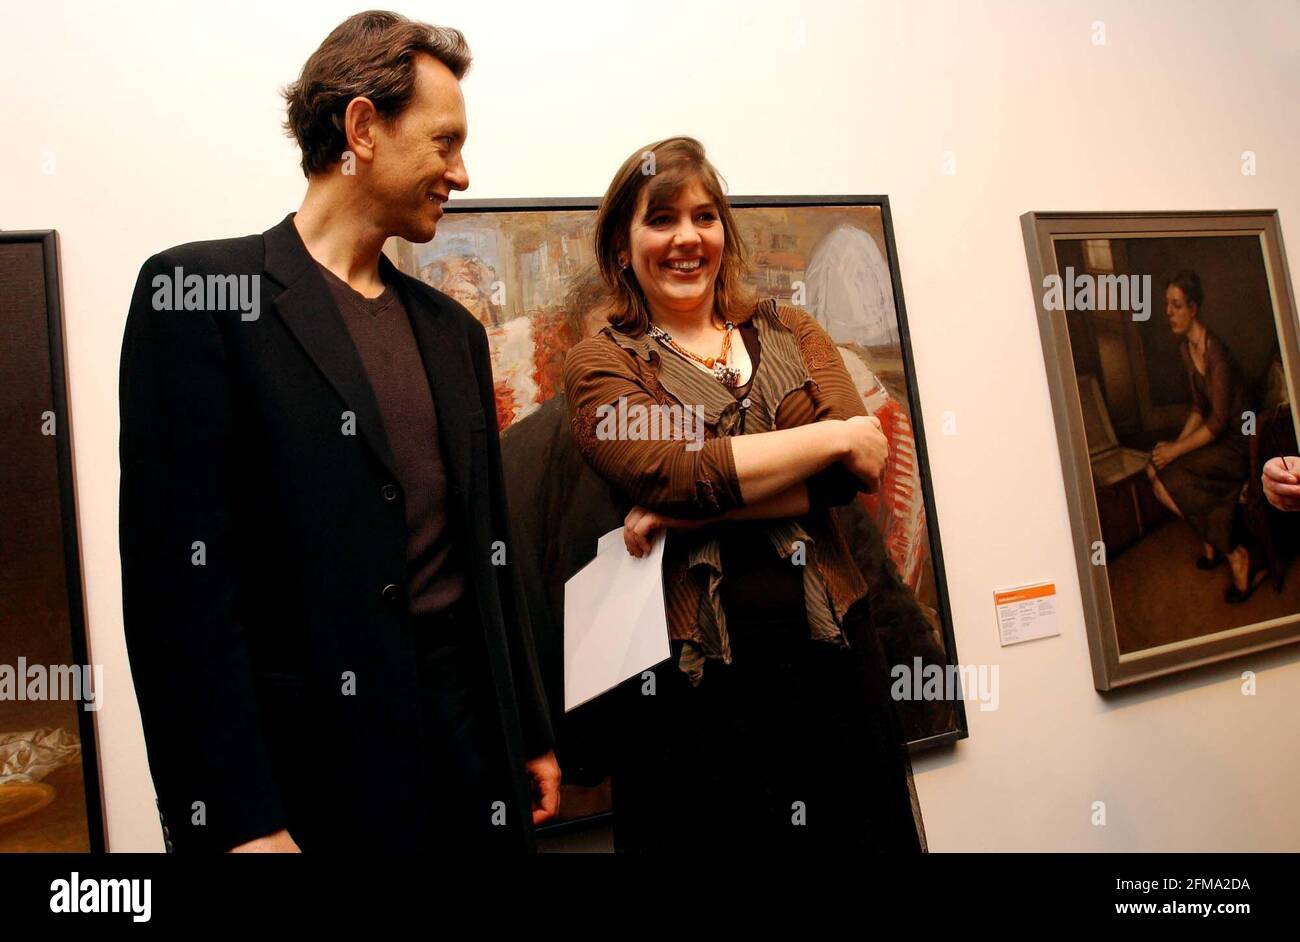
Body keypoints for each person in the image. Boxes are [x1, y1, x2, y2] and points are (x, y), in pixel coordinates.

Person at [118, 11, 559, 853]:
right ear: (362, 127)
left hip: (472, 762)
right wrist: (238, 818)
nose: (460, 173)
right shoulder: (201, 295)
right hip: (310, 778)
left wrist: (527, 731)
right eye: (444, 143)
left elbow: (489, 558)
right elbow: (178, 595)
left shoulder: (451, 333)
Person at [562, 136, 925, 852]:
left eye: (704, 216)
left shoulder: (790, 327)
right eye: (660, 219)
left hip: (833, 666)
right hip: (695, 697)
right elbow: (676, 471)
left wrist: (686, 509)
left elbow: (858, 474)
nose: (686, 238)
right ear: (622, 245)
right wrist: (831, 436)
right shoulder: (601, 361)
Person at [1145, 270, 1260, 602]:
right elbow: (1199, 406)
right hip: (1215, 440)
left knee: (1164, 482)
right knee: (1155, 469)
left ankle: (1233, 552)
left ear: (1193, 308)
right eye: (1167, 304)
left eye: (1176, 305)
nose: (1168, 312)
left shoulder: (1216, 353)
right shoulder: (1186, 349)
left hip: (1240, 444)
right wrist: (1170, 448)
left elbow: (1220, 421)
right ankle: (1211, 538)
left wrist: (1176, 452)